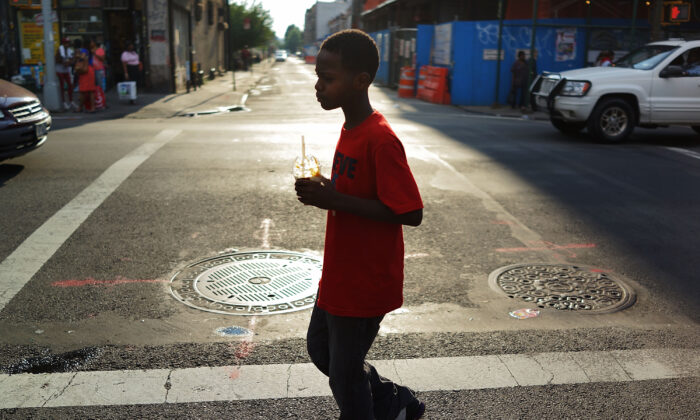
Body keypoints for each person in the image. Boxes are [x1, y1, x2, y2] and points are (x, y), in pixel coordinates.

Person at [295, 29, 425, 420]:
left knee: (345, 379)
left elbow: (410, 212)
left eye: (328, 78)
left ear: (360, 81)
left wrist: (335, 199)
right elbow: (357, 196)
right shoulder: (349, 128)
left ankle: (375, 406)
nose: (318, 86)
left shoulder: (380, 139)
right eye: (318, 76)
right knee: (321, 350)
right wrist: (328, 192)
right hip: (338, 274)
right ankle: (390, 400)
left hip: (365, 281)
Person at [74, 48, 96, 112]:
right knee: (87, 91)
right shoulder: (81, 59)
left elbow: (85, 70)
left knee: (85, 91)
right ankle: (90, 108)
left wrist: (78, 69)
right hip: (87, 74)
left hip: (87, 74)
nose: (80, 54)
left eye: (81, 53)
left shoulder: (84, 59)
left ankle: (81, 108)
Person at [56, 38, 75, 110]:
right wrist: (64, 62)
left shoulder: (69, 50)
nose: (67, 44)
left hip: (66, 70)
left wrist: (70, 62)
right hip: (60, 70)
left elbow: (71, 59)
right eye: (66, 43)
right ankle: (63, 102)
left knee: (70, 85)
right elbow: (57, 59)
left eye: (68, 43)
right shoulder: (59, 50)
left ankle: (71, 101)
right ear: (63, 44)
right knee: (62, 86)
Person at [90, 39, 107, 109]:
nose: (90, 43)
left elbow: (102, 59)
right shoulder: (91, 50)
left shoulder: (100, 50)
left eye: (91, 42)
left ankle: (102, 102)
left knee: (100, 87)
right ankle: (97, 101)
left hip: (99, 70)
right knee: (94, 87)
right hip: (93, 70)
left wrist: (95, 54)